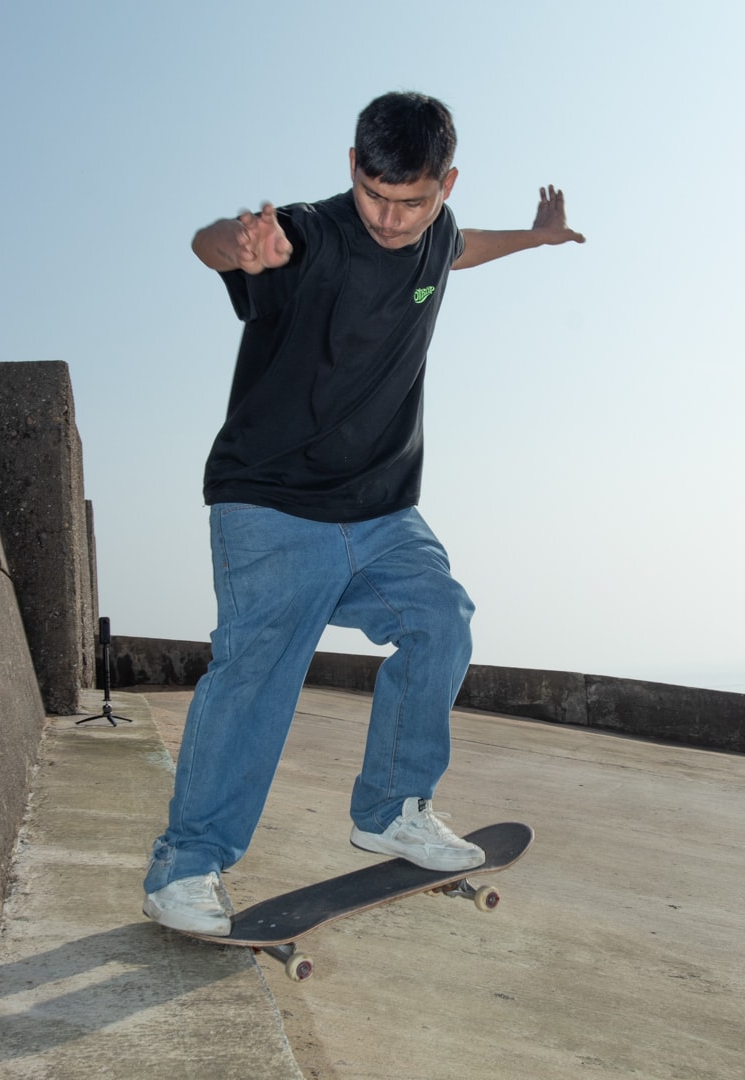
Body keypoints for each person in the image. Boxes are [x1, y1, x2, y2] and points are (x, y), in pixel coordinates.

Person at [143, 91, 584, 936]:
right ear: (352, 168)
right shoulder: (307, 234)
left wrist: (539, 235)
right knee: (258, 676)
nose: (389, 218)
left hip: (381, 511)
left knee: (441, 617)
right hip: (269, 504)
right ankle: (187, 866)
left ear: (444, 185)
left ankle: (391, 807)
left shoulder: (439, 233)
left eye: (412, 201)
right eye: (375, 195)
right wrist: (236, 243)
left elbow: (467, 246)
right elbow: (215, 244)